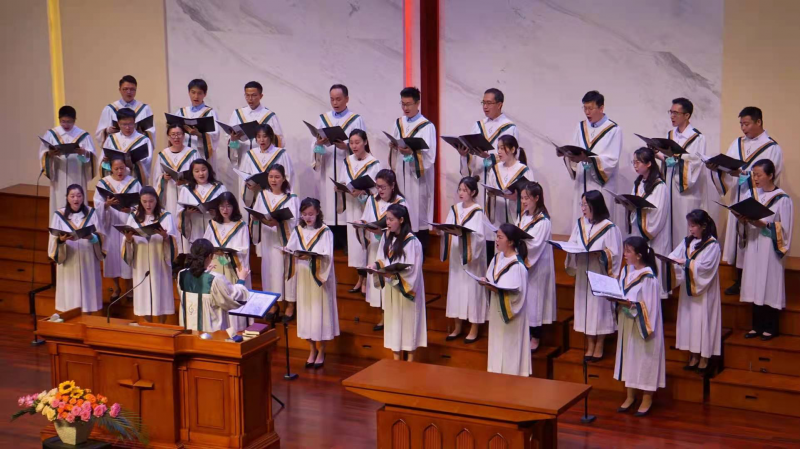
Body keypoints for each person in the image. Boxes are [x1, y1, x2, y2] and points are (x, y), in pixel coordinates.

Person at [708, 106, 783, 295]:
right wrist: (719, 168)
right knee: (737, 240)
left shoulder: (772, 148)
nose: (743, 128)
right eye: (741, 124)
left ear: (759, 122)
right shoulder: (737, 143)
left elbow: (773, 174)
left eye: (747, 124)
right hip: (738, 195)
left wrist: (746, 175)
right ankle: (739, 280)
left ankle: (753, 281)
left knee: (752, 239)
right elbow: (728, 165)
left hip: (758, 200)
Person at [565, 190, 623, 361]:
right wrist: (571, 250)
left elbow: (615, 253)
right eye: (581, 204)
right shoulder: (580, 224)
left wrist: (602, 255)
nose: (582, 209)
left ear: (595, 206)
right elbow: (572, 243)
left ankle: (600, 344)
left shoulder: (609, 228)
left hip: (600, 273)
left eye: (585, 205)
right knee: (586, 308)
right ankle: (590, 344)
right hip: (584, 271)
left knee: (599, 308)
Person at [738, 160, 793, 340]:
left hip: (770, 248)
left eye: (759, 175)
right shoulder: (750, 194)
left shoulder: (782, 199)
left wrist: (765, 224)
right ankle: (757, 326)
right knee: (755, 283)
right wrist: (743, 219)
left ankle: (771, 326)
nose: (755, 178)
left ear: (770, 175)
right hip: (754, 244)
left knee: (769, 283)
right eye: (754, 174)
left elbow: (785, 228)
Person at [611, 236, 665, 417]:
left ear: (639, 255)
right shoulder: (626, 271)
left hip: (643, 327)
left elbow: (649, 307)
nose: (624, 255)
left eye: (628, 251)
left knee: (644, 359)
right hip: (627, 322)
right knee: (629, 357)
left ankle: (647, 397)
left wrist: (631, 306)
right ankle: (630, 395)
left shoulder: (648, 278)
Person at [284, 198, 339, 368]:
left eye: (311, 214)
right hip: (304, 276)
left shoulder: (325, 231)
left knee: (319, 313)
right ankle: (311, 349)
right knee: (307, 312)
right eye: (304, 214)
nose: (307, 217)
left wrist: (310, 256)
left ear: (317, 213)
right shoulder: (298, 229)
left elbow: (327, 255)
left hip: (319, 278)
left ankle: (321, 350)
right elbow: (291, 248)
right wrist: (288, 252)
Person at [311, 84, 367, 249]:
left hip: (348, 168)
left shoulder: (356, 120)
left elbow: (363, 145)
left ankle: (348, 244)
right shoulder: (323, 119)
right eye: (332, 99)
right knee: (329, 207)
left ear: (347, 99)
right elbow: (314, 147)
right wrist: (319, 144)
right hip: (328, 166)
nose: (335, 102)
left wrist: (347, 147)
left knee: (347, 207)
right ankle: (331, 242)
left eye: (338, 99)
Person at [668, 209, 721, 373]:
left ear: (703, 226)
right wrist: (670, 262)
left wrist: (685, 262)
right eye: (689, 225)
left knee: (703, 322)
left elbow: (705, 268)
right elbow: (673, 256)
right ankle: (693, 355)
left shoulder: (712, 245)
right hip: (688, 290)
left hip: (703, 291)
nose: (690, 229)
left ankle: (704, 357)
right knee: (690, 322)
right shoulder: (687, 242)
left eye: (693, 226)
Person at [373, 204, 427, 361]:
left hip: (406, 289)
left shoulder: (412, 241)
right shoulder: (386, 236)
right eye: (386, 219)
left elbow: (414, 269)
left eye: (391, 219)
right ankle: (396, 359)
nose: (387, 223)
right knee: (394, 322)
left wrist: (395, 275)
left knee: (409, 322)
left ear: (401, 220)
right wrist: (375, 266)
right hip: (392, 287)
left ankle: (410, 361)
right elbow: (381, 259)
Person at [563, 90, 622, 227]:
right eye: (585, 108)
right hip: (582, 180)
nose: (587, 112)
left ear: (601, 108)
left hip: (600, 184)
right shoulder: (580, 127)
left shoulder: (613, 130)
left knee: (599, 224)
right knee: (581, 221)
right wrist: (570, 156)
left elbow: (612, 161)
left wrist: (591, 160)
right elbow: (574, 148)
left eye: (590, 108)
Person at [654, 98, 707, 250]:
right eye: (671, 112)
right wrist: (659, 155)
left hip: (686, 192)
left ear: (687, 115)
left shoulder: (698, 138)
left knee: (682, 229)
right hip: (669, 186)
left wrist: (675, 160)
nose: (672, 116)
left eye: (676, 113)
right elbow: (668, 159)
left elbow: (696, 163)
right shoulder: (670, 135)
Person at [439, 176, 487, 343]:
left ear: (473, 192)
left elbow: (480, 236)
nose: (461, 193)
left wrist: (465, 235)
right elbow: (447, 227)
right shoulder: (454, 209)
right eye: (460, 189)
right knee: (456, 290)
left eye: (465, 190)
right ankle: (457, 326)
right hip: (456, 257)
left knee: (472, 290)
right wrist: (445, 231)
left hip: (471, 259)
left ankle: (474, 327)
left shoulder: (478, 211)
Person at [389, 87, 437, 250]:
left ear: (418, 103)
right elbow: (395, 148)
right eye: (403, 104)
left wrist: (412, 153)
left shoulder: (426, 126)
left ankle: (419, 250)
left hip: (417, 178)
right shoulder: (399, 123)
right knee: (401, 207)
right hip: (401, 175)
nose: (406, 108)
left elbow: (430, 156)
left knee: (417, 213)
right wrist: (394, 146)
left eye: (409, 104)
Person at [358, 169, 406, 330]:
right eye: (378, 186)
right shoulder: (372, 200)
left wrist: (383, 233)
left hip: (392, 249)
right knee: (378, 283)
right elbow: (366, 217)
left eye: (383, 187)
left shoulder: (400, 202)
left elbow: (405, 227)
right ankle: (382, 316)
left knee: (389, 281)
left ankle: (392, 317)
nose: (380, 190)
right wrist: (362, 224)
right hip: (375, 247)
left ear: (393, 186)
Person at [122, 186, 179, 323]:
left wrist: (165, 237)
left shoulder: (165, 216)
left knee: (161, 294)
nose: (148, 205)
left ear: (156, 201)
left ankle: (161, 325)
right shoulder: (134, 218)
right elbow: (126, 239)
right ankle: (148, 325)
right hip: (141, 262)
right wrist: (129, 239)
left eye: (151, 201)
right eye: (145, 201)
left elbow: (173, 238)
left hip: (159, 262)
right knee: (144, 296)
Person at [252, 164, 299, 321]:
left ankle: (290, 305)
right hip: (268, 239)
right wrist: (263, 221)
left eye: (277, 177)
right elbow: (257, 216)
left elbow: (295, 221)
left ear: (284, 178)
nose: (273, 180)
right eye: (271, 177)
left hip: (284, 241)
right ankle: (273, 304)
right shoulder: (262, 195)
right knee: (270, 271)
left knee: (286, 272)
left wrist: (279, 223)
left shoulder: (291, 198)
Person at [482, 223, 531, 376]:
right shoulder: (497, 258)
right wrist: (486, 282)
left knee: (510, 350)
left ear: (510, 242)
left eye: (500, 237)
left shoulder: (518, 266)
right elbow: (491, 278)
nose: (496, 240)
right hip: (497, 312)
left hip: (510, 316)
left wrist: (496, 289)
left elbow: (518, 295)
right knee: (497, 345)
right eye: (496, 237)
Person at [48, 184, 105, 314]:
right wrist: (61, 240)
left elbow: (101, 235)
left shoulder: (91, 213)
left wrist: (92, 237)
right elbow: (53, 239)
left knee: (87, 296)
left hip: (87, 260)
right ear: (67, 198)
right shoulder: (59, 215)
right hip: (69, 261)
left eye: (79, 196)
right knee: (71, 297)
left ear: (83, 197)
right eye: (72, 196)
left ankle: (88, 319)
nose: (76, 199)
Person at [177, 238, 251, 335]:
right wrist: (241, 279)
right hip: (211, 337)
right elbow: (232, 298)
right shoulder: (214, 279)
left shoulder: (182, 274)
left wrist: (204, 271)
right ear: (210, 256)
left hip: (188, 334)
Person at [340, 129, 381, 293]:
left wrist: (364, 192)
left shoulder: (374, 163)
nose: (354, 146)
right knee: (356, 245)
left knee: (366, 242)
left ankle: (366, 282)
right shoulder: (348, 161)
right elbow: (344, 181)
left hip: (367, 208)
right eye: (351, 143)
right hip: (352, 205)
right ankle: (359, 278)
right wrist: (342, 188)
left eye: (357, 142)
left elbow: (379, 187)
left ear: (365, 142)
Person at [203, 192, 251, 334]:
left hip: (232, 265)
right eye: (222, 206)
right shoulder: (213, 224)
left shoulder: (240, 225)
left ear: (234, 207)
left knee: (231, 295)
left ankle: (235, 330)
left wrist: (231, 253)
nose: (225, 210)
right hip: (216, 263)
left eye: (228, 206)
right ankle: (218, 329)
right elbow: (206, 243)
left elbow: (245, 248)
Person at [94, 157, 141, 302]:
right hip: (110, 224)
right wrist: (106, 205)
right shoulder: (103, 183)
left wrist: (131, 209)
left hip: (127, 223)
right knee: (113, 257)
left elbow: (141, 203)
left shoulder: (133, 183)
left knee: (127, 256)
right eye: (116, 168)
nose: (120, 171)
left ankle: (129, 288)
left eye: (122, 168)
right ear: (111, 169)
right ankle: (116, 287)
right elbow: (97, 205)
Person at [517, 182, 556, 352]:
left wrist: (517, 245)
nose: (523, 201)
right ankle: (525, 333)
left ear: (537, 198)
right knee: (526, 300)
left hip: (537, 266)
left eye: (527, 198)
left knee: (536, 301)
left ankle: (536, 336)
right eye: (522, 197)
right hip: (524, 266)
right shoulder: (523, 216)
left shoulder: (543, 221)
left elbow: (535, 245)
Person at [626, 147, 669, 298]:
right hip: (639, 233)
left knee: (651, 283)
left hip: (653, 237)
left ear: (649, 163)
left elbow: (658, 214)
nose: (635, 165)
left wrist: (638, 210)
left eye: (638, 162)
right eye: (633, 162)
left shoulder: (660, 186)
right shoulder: (638, 182)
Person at [39, 105, 97, 216]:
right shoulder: (51, 134)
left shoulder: (83, 135)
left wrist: (84, 152)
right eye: (63, 121)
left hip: (77, 173)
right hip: (59, 175)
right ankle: (60, 230)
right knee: (59, 202)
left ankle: (79, 228)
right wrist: (49, 154)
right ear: (59, 119)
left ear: (75, 120)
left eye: (69, 122)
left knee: (77, 199)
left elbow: (92, 156)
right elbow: (43, 154)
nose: (66, 125)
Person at [457, 88, 519, 179]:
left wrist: (489, 157)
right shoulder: (478, 126)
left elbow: (513, 157)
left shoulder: (509, 128)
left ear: (499, 105)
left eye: (489, 103)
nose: (485, 106)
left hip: (499, 180)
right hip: (479, 179)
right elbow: (471, 155)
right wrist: (464, 155)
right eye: (483, 103)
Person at [152, 124, 201, 232]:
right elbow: (156, 177)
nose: (176, 137)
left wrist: (187, 180)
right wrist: (163, 177)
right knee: (172, 220)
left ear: (184, 136)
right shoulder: (163, 155)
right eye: (173, 134)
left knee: (188, 222)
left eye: (179, 134)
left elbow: (200, 174)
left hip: (187, 192)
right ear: (168, 137)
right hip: (170, 193)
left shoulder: (192, 153)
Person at [226, 81, 284, 170]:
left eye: (254, 95)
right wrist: (233, 139)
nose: (250, 98)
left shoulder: (269, 116)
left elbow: (279, 140)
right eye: (247, 95)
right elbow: (229, 137)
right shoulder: (238, 114)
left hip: (264, 161)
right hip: (244, 158)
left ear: (261, 96)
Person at [177, 159, 227, 253]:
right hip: (195, 228)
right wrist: (187, 213)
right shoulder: (186, 190)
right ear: (192, 173)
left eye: (204, 170)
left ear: (209, 170)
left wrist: (218, 212)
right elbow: (179, 212)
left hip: (215, 228)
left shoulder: (219, 188)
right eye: (197, 171)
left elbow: (227, 206)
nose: (201, 173)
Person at [484, 135, 533, 232]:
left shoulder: (523, 170)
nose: (499, 151)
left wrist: (517, 197)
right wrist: (491, 194)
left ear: (513, 149)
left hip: (516, 217)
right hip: (498, 217)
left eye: (502, 148)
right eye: (498, 148)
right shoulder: (495, 169)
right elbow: (490, 190)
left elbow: (532, 195)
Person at [240, 124, 294, 208]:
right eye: (258, 137)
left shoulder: (282, 154)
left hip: (276, 198)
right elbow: (245, 177)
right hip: (256, 196)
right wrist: (250, 186)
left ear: (271, 137)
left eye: (264, 136)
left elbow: (288, 177)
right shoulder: (250, 155)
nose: (261, 140)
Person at [95, 75, 155, 149]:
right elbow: (99, 134)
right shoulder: (109, 109)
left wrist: (140, 131)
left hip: (137, 147)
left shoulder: (145, 109)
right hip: (116, 149)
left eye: (132, 89)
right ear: (120, 89)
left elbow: (151, 133)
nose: (129, 92)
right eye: (125, 89)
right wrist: (107, 130)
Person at [101, 107, 154, 185]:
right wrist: (106, 160)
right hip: (116, 180)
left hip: (134, 180)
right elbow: (103, 160)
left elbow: (147, 162)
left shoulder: (143, 140)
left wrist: (134, 164)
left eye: (130, 124)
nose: (128, 127)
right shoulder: (111, 139)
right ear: (118, 124)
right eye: (124, 124)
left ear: (134, 122)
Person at [174, 79, 220, 163]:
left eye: (199, 93)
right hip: (184, 154)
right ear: (189, 93)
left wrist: (199, 134)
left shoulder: (210, 113)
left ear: (205, 94)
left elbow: (215, 135)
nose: (196, 96)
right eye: (193, 92)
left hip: (202, 155)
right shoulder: (181, 112)